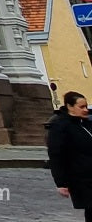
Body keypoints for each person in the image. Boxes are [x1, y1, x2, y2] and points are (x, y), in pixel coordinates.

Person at [49, 90, 92, 220]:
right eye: (81, 107)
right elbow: (56, 155)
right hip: (80, 177)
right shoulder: (61, 126)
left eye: (86, 106)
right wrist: (61, 183)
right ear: (70, 107)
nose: (85, 110)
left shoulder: (86, 123)